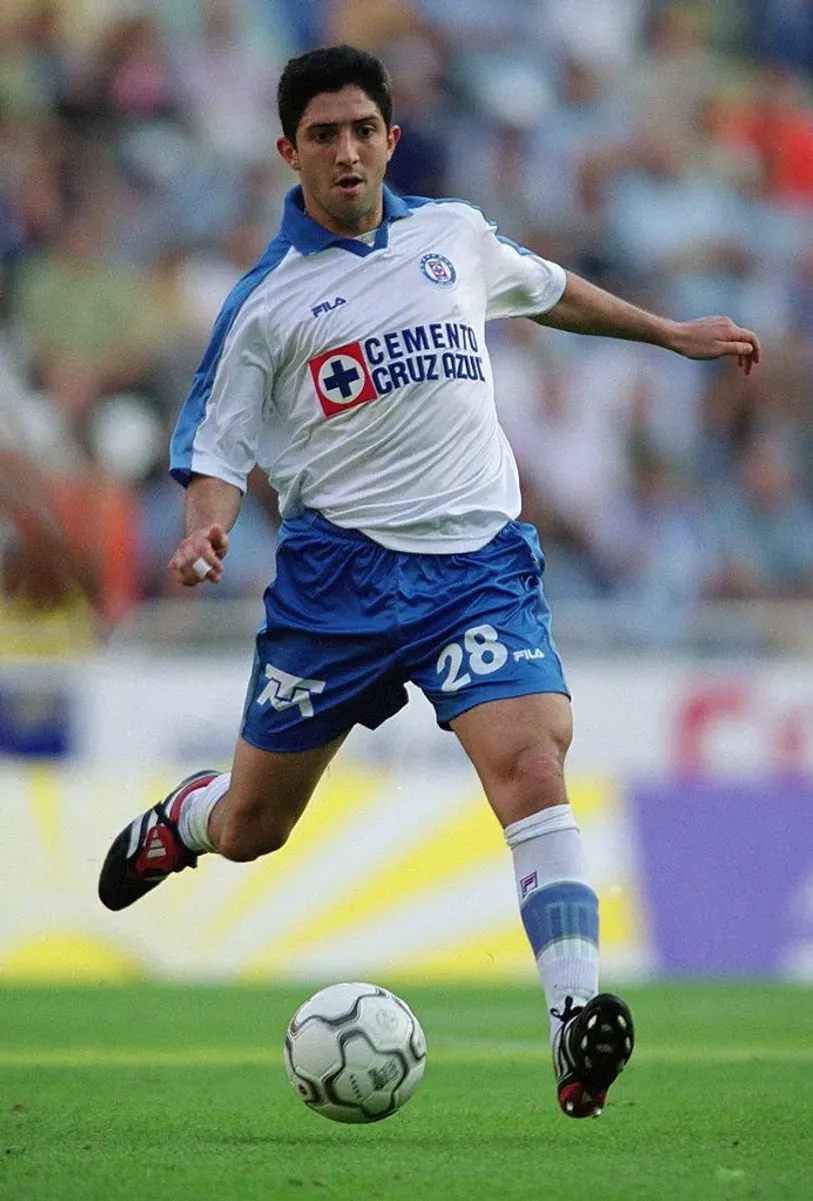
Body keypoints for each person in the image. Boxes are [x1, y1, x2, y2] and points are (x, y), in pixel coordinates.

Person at [98, 44, 761, 1118]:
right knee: (260, 825)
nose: (348, 150)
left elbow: (550, 291)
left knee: (533, 762)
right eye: (325, 134)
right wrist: (202, 534)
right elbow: (216, 451)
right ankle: (189, 818)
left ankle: (575, 1024)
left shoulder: (452, 234)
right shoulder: (267, 302)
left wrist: (667, 332)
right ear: (288, 152)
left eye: (364, 129)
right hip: (338, 585)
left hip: (474, 570)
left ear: (390, 138)